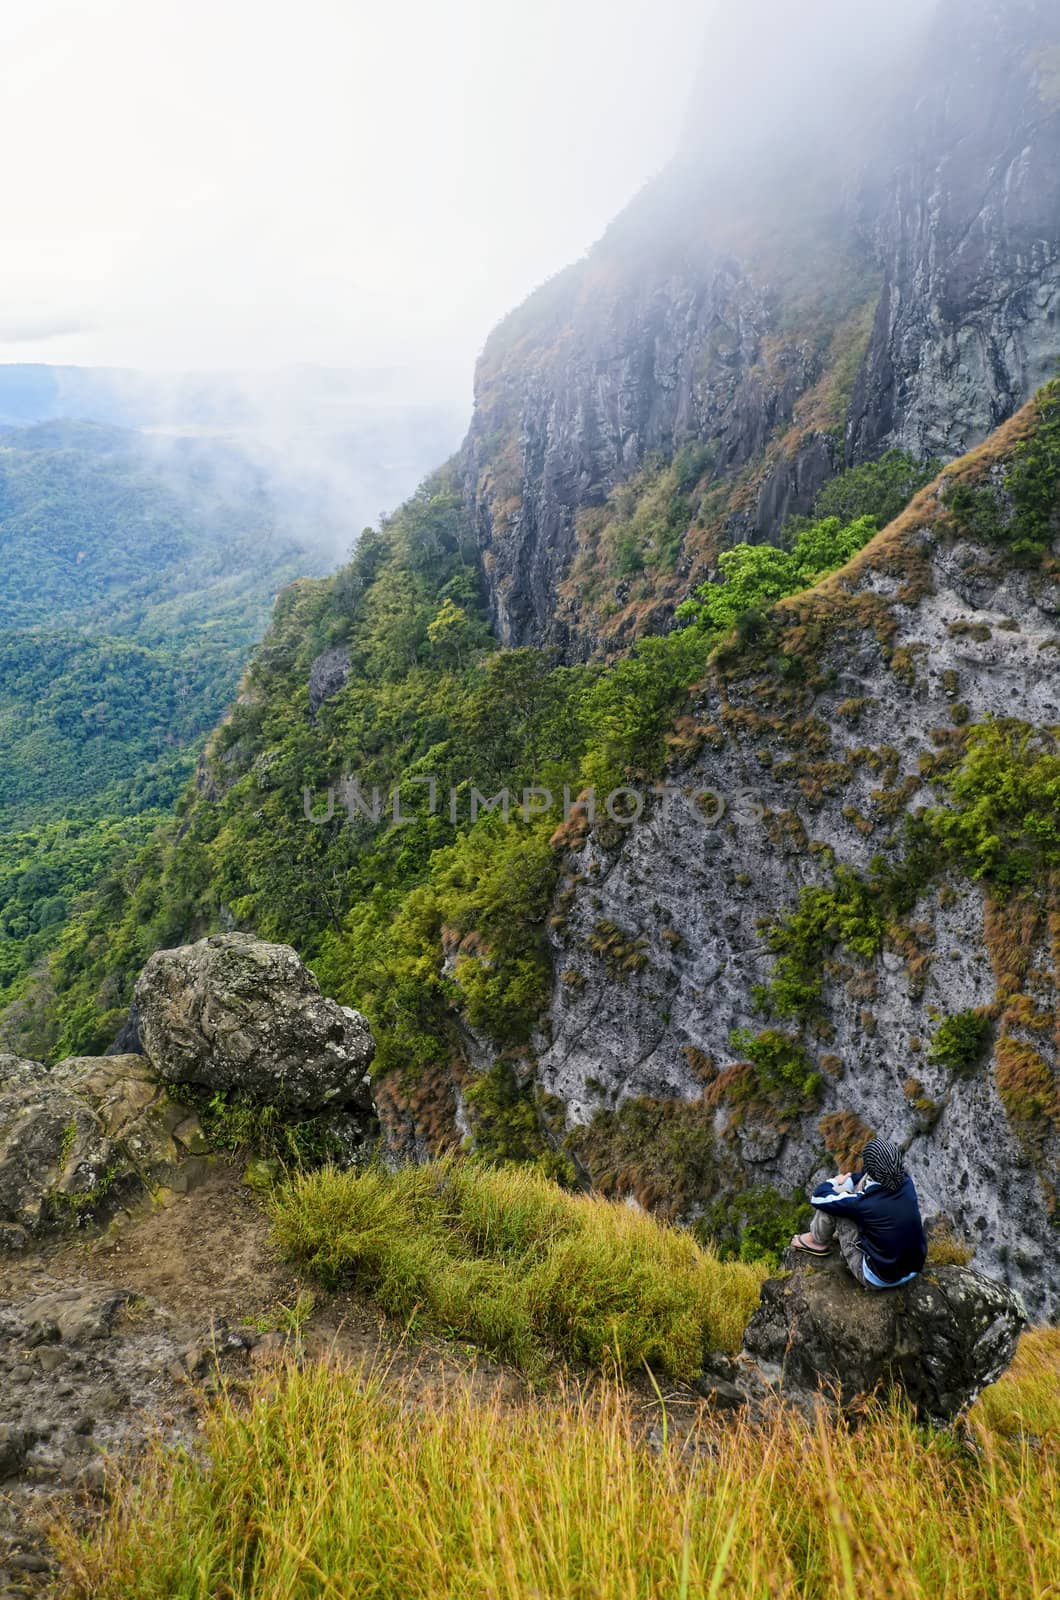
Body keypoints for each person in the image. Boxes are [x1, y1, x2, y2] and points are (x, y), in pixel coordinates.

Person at [791, 1137, 927, 1289]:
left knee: (836, 1208)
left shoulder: (864, 1204)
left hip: (879, 1277)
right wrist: (849, 1181)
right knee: (856, 1188)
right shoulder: (906, 1182)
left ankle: (816, 1240)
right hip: (913, 1267)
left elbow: (818, 1197)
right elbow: (864, 1176)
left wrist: (835, 1181)